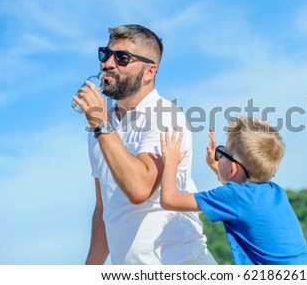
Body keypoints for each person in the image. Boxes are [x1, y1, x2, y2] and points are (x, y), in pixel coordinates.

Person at [72, 24, 216, 265]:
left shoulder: (165, 116)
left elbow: (139, 189)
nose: (107, 64)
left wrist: (102, 125)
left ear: (150, 71)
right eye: (105, 54)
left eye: (122, 58)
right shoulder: (100, 127)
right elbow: (104, 210)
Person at [160, 116, 307, 265]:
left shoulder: (235, 196)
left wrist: (171, 160)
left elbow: (169, 200)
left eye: (222, 153)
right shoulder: (276, 192)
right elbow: (238, 193)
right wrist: (215, 165)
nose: (218, 156)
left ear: (232, 168)